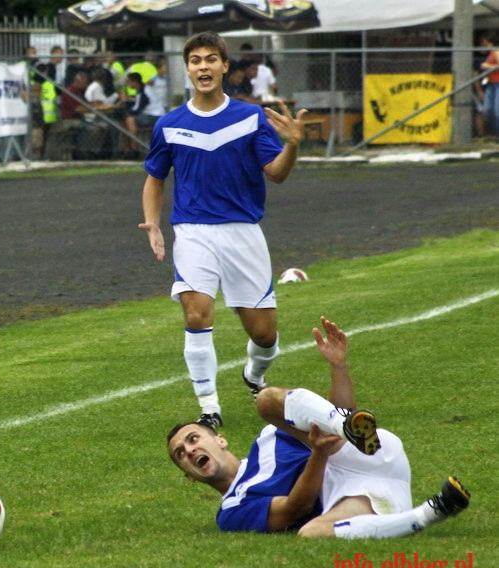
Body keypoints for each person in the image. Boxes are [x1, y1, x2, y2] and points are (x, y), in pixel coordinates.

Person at [167, 317, 471, 538]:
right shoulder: (231, 511)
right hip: (364, 502)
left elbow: (342, 420)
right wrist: (319, 454)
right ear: (188, 477)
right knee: (312, 533)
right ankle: (428, 513)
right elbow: (293, 511)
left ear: (220, 440)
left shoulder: (269, 439)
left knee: (266, 400)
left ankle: (342, 427)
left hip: (366, 454)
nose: (191, 450)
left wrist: (338, 368)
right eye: (181, 453)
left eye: (193, 439)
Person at [139, 31, 307, 425]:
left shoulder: (250, 117)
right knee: (196, 313)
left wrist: (294, 145)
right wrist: (153, 223)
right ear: (187, 69)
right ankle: (209, 408)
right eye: (195, 60)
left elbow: (277, 174)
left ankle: (254, 375)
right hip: (193, 231)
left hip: (243, 233)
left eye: (211, 59)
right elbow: (154, 177)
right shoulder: (169, 124)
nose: (203, 67)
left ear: (224, 66)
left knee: (264, 335)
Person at [121, 72, 165, 158]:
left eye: (129, 82)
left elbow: (137, 110)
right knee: (127, 121)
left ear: (135, 82)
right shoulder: (142, 90)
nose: (128, 84)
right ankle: (130, 148)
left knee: (130, 120)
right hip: (150, 114)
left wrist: (125, 102)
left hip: (154, 116)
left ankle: (134, 149)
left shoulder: (144, 92)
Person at [479, 32, 499, 137]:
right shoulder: (491, 52)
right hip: (491, 83)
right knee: (488, 110)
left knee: (497, 110)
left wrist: (487, 66)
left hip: (498, 83)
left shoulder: (496, 50)